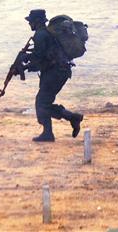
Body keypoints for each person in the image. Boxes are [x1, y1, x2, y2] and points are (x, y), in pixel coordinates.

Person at [24, 9, 84, 142]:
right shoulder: (46, 34)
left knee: (42, 103)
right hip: (59, 71)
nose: (30, 24)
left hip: (55, 73)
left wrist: (26, 66)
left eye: (31, 21)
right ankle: (70, 118)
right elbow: (43, 56)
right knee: (43, 102)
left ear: (37, 21)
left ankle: (50, 132)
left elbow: (38, 61)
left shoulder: (40, 35)